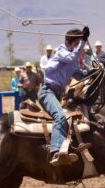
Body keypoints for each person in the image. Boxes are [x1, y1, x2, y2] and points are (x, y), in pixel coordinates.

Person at [38, 26, 91, 166]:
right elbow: (71, 57)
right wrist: (83, 41)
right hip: (47, 92)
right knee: (60, 116)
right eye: (76, 43)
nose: (78, 47)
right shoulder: (62, 50)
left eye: (79, 44)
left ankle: (64, 147)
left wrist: (94, 71)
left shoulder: (73, 59)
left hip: (57, 94)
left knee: (68, 119)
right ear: (68, 42)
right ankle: (56, 152)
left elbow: (79, 75)